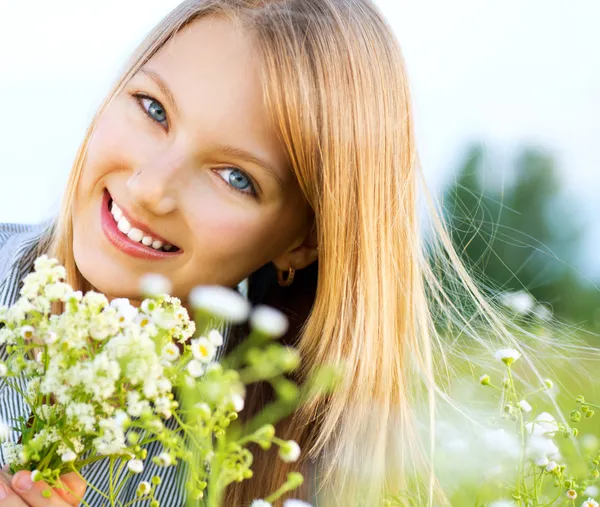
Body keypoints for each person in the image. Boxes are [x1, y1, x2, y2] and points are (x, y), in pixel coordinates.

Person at [0, 1, 593, 506]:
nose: (152, 187)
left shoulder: (258, 467)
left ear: (302, 244)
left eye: (235, 177)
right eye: (154, 109)